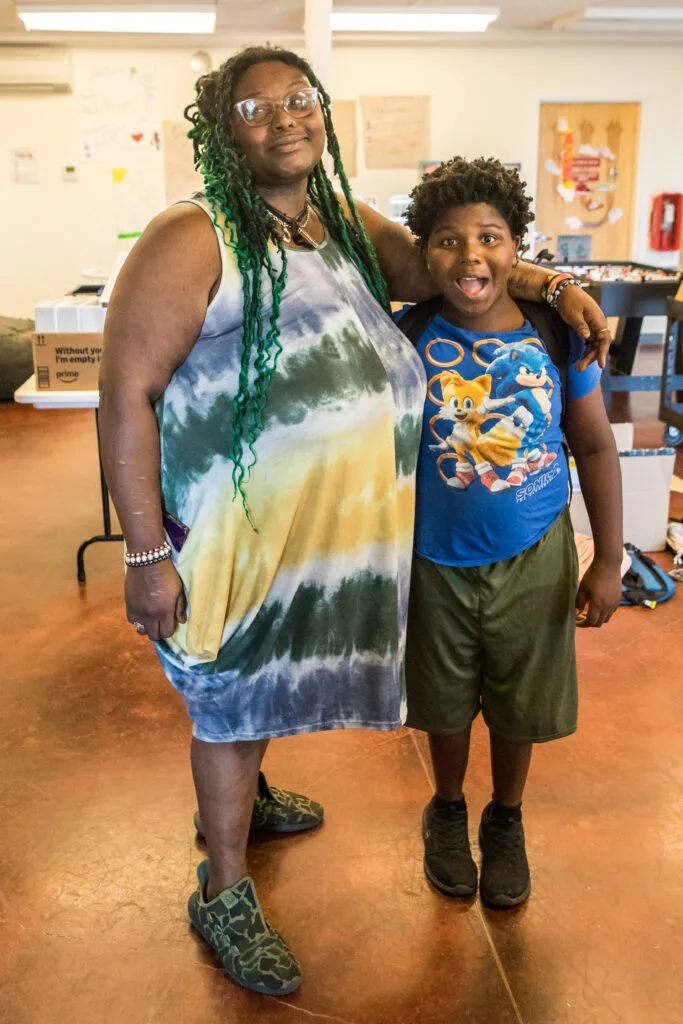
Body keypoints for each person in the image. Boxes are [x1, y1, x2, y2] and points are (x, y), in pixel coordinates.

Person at [98, 47, 614, 996]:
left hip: (307, 534)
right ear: (221, 130)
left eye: (301, 99)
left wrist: (545, 281)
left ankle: (243, 805)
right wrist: (143, 555)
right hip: (228, 530)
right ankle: (222, 887)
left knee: (260, 675)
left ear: (322, 114)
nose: (285, 117)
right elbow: (124, 394)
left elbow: (437, 263)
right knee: (225, 687)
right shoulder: (193, 234)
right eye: (256, 106)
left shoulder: (330, 220)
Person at [397, 157, 623, 909]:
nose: (470, 258)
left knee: (521, 700)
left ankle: (505, 818)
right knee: (444, 699)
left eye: (489, 238)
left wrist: (610, 561)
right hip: (431, 558)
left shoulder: (555, 337)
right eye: (447, 241)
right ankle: (447, 807)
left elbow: (591, 444)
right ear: (422, 255)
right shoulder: (407, 337)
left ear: (515, 248)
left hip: (535, 552)